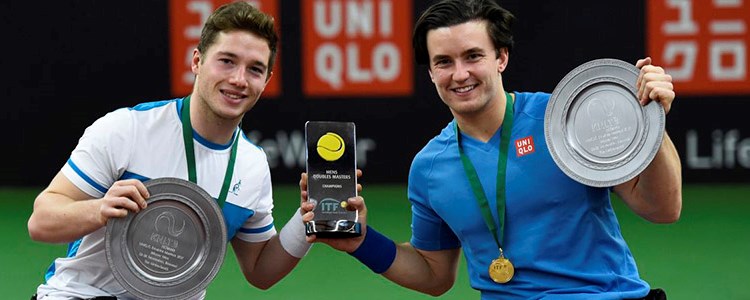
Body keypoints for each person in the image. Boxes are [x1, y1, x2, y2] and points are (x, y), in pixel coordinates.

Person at [299, 0, 681, 299]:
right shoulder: (430, 167)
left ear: (501, 58)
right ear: (430, 73)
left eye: (473, 56)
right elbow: (434, 274)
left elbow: (662, 209)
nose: (460, 74)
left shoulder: (564, 117)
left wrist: (653, 124)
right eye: (443, 62)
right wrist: (362, 242)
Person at [27, 2, 312, 299]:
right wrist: (99, 209)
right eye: (226, 61)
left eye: (254, 69)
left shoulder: (252, 165)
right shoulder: (128, 129)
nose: (239, 79)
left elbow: (260, 271)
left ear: (265, 81)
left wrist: (308, 222)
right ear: (197, 62)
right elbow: (41, 222)